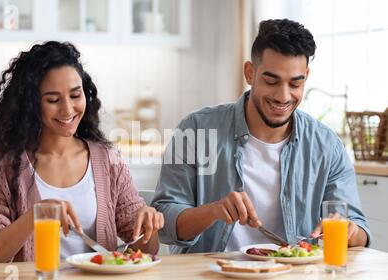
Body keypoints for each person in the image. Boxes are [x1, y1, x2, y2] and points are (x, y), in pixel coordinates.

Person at [152, 19, 370, 253]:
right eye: (271, 81)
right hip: (210, 279)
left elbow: (360, 231)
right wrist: (212, 211)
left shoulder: (327, 146)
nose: (283, 96)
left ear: (306, 76)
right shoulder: (194, 130)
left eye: (295, 83)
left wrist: (350, 230)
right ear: (250, 72)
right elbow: (164, 224)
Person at [0, 41, 164, 264]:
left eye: (75, 96)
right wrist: (35, 215)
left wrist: (149, 227)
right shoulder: (3, 163)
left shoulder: (107, 159)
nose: (68, 109)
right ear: (31, 104)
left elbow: (144, 251)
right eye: (53, 100)